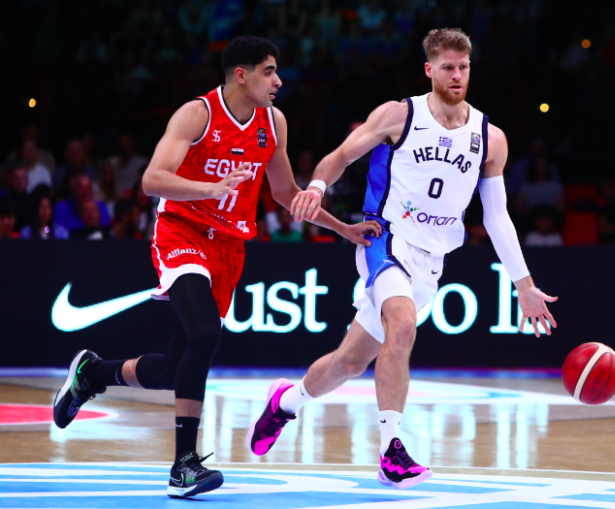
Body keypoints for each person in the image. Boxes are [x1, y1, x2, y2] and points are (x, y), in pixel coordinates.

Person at [52, 36, 380, 499]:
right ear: (241, 75)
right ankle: (183, 466)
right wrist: (210, 188)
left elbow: (286, 193)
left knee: (175, 369)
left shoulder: (274, 123)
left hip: (228, 245)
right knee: (205, 334)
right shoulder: (197, 114)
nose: (278, 81)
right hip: (181, 231)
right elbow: (152, 180)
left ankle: (93, 374)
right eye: (269, 71)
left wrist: (342, 228)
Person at [251, 29, 558, 490]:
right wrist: (316, 187)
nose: (457, 75)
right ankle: (391, 450)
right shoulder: (400, 115)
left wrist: (524, 285)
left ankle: (285, 403)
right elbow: (341, 156)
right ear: (429, 70)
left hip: (432, 260)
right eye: (448, 67)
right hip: (385, 238)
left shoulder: (490, 138)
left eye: (464, 67)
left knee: (349, 362)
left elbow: (497, 218)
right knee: (403, 325)